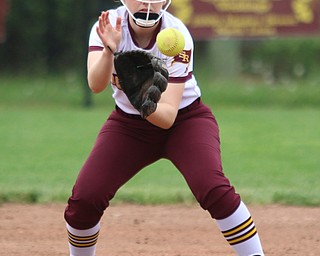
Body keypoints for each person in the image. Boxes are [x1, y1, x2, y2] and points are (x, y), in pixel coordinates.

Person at [64, 1, 265, 255]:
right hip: (129, 127)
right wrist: (108, 49)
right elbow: (95, 84)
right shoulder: (109, 25)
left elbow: (168, 117)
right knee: (85, 199)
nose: (146, 2)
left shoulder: (176, 35)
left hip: (186, 122)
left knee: (212, 188)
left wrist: (139, 97)